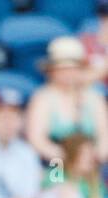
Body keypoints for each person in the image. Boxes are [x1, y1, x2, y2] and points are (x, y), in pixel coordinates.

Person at [26, 36, 108, 167]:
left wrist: (96, 155)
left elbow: (104, 135)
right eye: (63, 69)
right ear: (52, 71)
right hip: (55, 162)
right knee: (56, 182)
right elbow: (37, 139)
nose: (68, 74)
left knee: (97, 184)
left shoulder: (94, 97)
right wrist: (66, 157)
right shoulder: (43, 98)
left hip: (91, 164)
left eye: (73, 69)